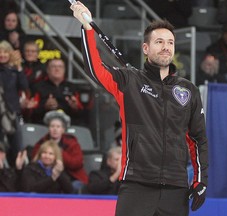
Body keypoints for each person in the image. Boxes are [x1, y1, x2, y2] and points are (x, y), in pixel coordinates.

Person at [71, 2, 208, 216]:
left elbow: (198, 139)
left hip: (175, 187)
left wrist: (201, 179)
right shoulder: (129, 81)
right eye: (159, 42)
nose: (166, 47)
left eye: (170, 42)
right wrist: (88, 29)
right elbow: (95, 69)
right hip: (137, 185)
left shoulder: (188, 90)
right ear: (146, 48)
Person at [31, 109, 88, 193]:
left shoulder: (72, 143)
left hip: (71, 178)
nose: (55, 129)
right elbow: (35, 160)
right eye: (52, 126)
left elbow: (77, 163)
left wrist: (58, 151)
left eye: (58, 127)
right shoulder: (42, 143)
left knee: (75, 187)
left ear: (63, 130)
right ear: (49, 128)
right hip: (46, 177)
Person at [0, 40, 34, 166]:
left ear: (10, 54)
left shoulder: (15, 71)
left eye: (5, 52)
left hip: (14, 113)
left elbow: (24, 86)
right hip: (0, 114)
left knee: (17, 146)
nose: (2, 55)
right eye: (0, 52)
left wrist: (19, 68)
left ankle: (18, 172)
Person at [31, 58, 84, 124]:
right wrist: (45, 106)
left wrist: (75, 107)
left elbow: (84, 112)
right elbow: (30, 112)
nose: (57, 69)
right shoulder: (38, 87)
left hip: (69, 125)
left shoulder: (73, 87)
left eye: (60, 66)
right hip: (43, 124)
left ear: (64, 70)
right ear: (48, 70)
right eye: (53, 66)